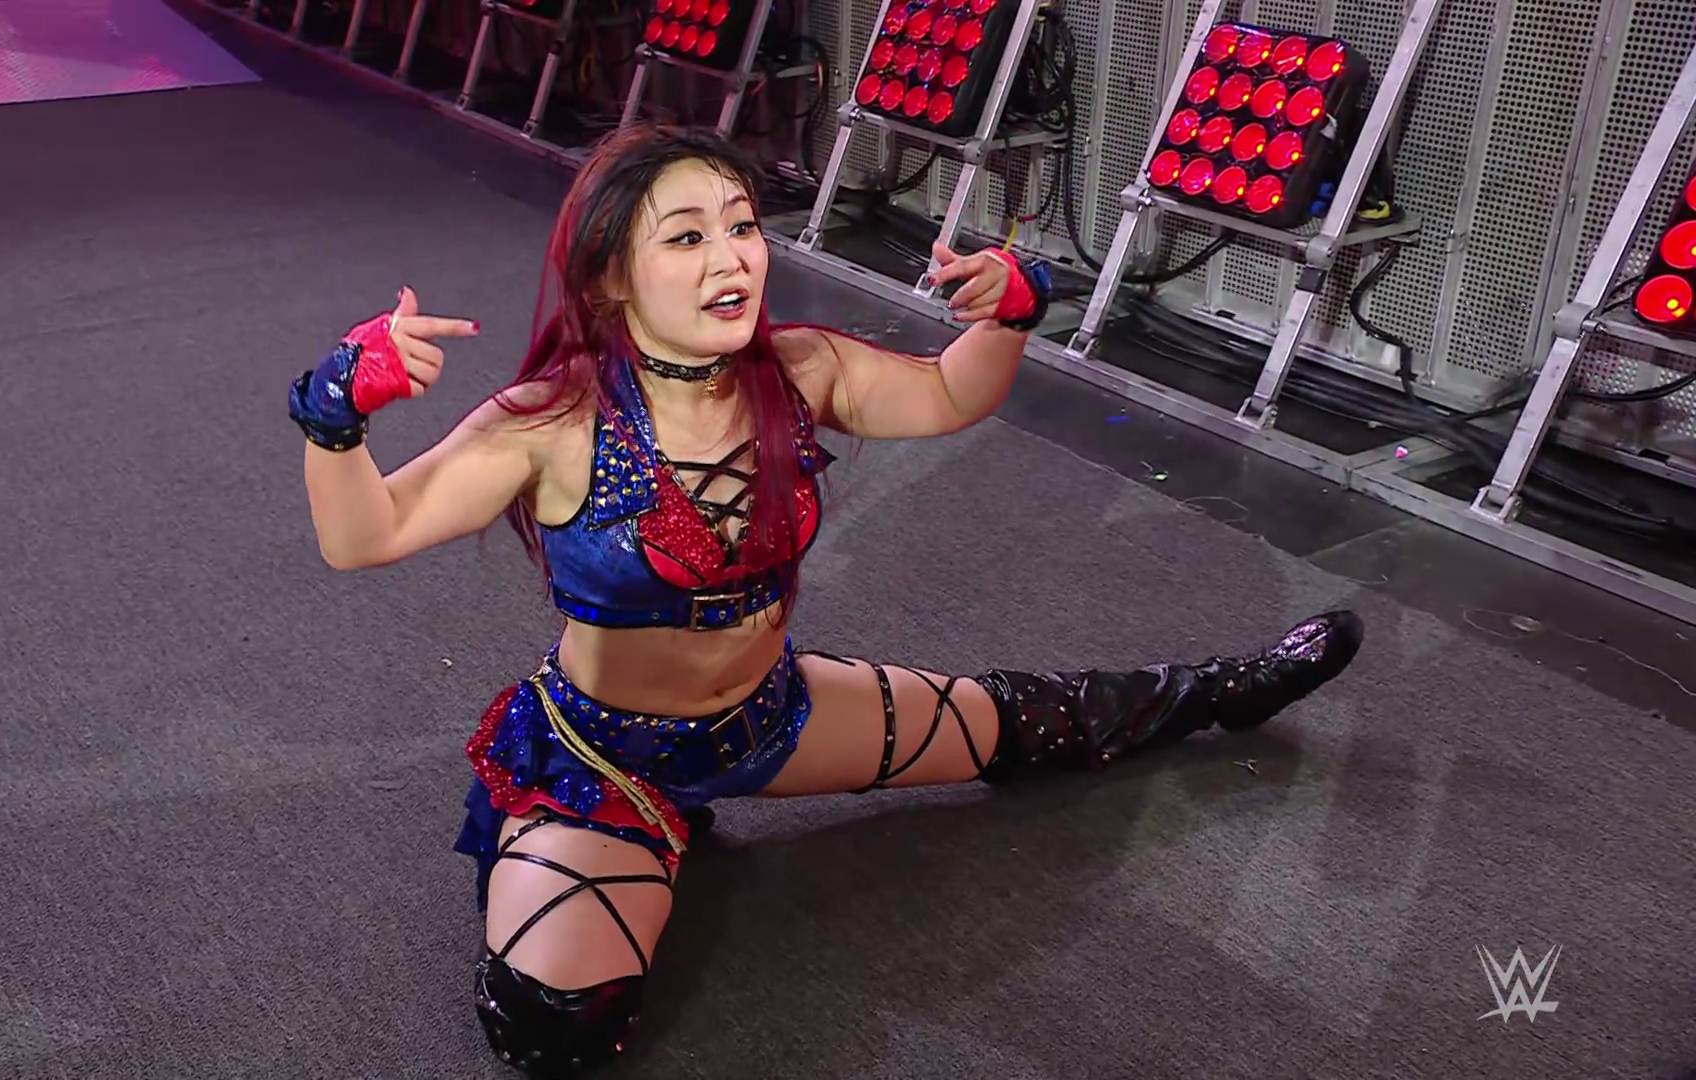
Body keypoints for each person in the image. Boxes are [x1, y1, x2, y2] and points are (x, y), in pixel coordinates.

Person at [289, 125, 1364, 1078]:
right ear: (610, 276)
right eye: (687, 237)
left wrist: (1012, 311)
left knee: (1021, 725)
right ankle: (588, 846)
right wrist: (335, 414)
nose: (732, 259)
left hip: (774, 716)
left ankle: (1223, 689)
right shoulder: (551, 421)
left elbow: (948, 394)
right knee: (551, 1028)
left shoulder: (797, 371)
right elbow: (363, 536)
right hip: (605, 757)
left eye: (741, 226)